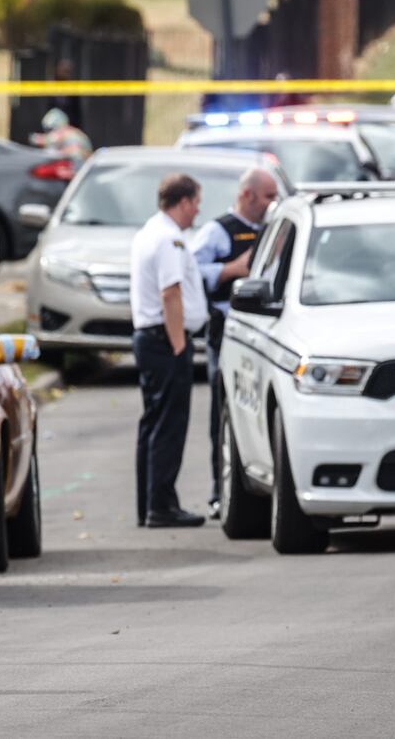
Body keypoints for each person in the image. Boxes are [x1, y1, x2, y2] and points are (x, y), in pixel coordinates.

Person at [191, 167, 280, 520]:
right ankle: (220, 492)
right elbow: (191, 271)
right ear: (247, 196)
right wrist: (232, 269)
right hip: (225, 334)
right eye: (269, 196)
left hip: (266, 336)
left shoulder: (275, 229)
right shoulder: (218, 231)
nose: (274, 202)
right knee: (223, 411)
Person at [129, 173, 210, 530]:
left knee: (153, 423)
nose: (197, 210)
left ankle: (150, 504)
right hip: (165, 340)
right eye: (195, 202)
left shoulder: (150, 232)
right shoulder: (168, 240)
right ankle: (161, 505)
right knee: (168, 426)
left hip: (152, 338)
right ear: (182, 202)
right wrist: (179, 344)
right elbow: (170, 293)